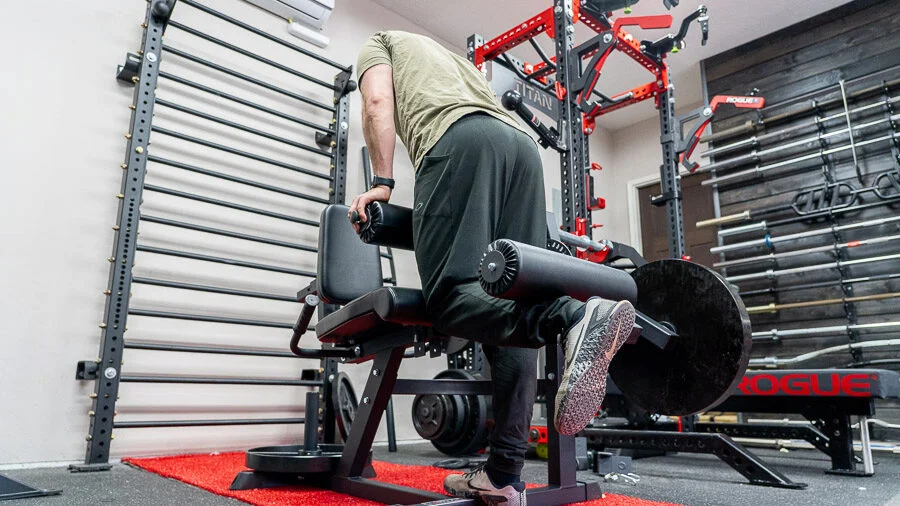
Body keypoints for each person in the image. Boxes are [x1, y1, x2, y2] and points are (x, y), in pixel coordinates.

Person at [349, 30, 635, 505]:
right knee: (511, 293)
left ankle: (573, 318)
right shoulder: (454, 64)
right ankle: (503, 475)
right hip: (522, 151)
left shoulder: (377, 42)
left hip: (460, 141)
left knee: (450, 297)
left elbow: (377, 101)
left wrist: (381, 183)